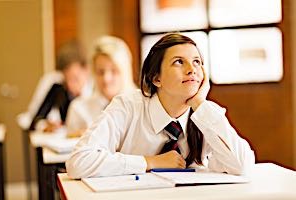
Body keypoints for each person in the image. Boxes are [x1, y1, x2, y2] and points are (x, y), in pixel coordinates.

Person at [66, 33, 255, 178]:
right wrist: (149, 162)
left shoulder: (205, 116)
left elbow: (242, 166)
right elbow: (78, 162)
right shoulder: (127, 106)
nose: (192, 70)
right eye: (179, 62)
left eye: (197, 62)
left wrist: (199, 103)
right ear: (156, 78)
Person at [65, 36, 136, 137]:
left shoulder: (142, 108)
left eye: (114, 71)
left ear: (125, 71)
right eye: (100, 72)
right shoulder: (78, 108)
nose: (106, 79)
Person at [29, 40, 93, 132]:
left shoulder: (97, 91)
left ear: (87, 70)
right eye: (67, 80)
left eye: (75, 79)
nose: (70, 86)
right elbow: (36, 121)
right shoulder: (59, 89)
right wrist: (45, 125)